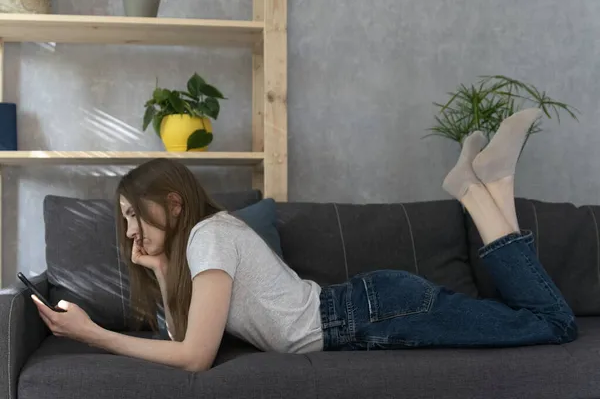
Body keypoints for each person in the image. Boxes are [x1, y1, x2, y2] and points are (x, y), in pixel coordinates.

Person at [32, 108, 578, 372]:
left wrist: (96, 335)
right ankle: (487, 190)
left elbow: (194, 355)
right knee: (531, 318)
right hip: (365, 310)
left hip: (372, 314)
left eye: (135, 214)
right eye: (123, 219)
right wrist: (154, 268)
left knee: (553, 325)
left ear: (173, 203)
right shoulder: (200, 248)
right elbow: (189, 334)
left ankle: (487, 189)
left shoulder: (209, 237)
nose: (128, 231)